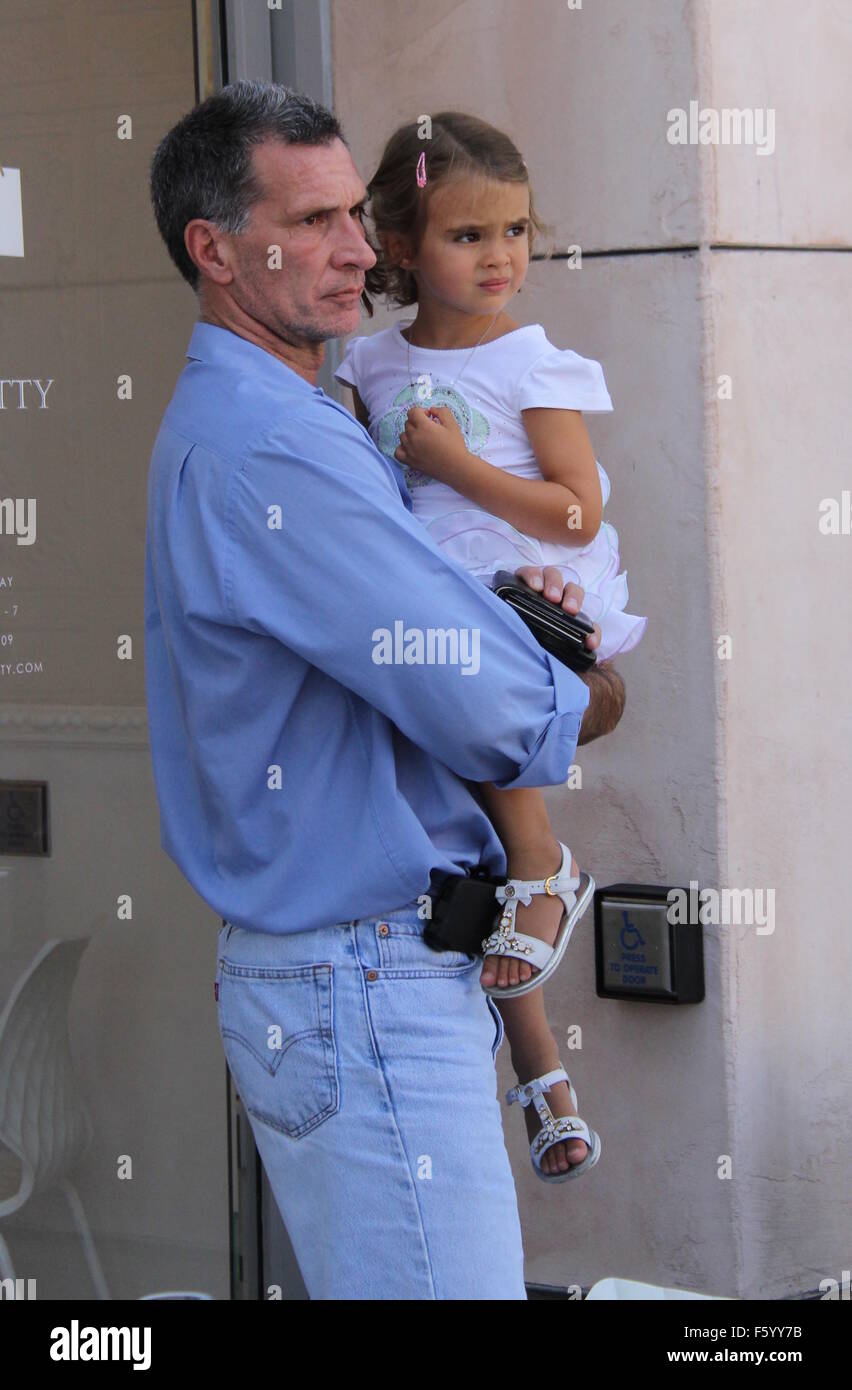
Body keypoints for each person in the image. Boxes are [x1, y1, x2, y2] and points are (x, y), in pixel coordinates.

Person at [146, 79, 625, 1300]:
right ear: (214, 250)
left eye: (357, 212)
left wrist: (512, 629)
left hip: (361, 969)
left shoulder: (294, 412)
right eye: (310, 222)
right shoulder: (270, 440)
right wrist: (577, 694)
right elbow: (473, 695)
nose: (360, 248)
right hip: (360, 972)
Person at [333, 111, 646, 1184]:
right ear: (403, 245)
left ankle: (547, 865)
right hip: (430, 601)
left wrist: (454, 465)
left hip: (525, 591)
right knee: (476, 867)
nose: (503, 255)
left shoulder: (533, 361)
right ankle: (542, 1078)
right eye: (470, 236)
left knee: (497, 808)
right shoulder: (367, 361)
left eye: (516, 230)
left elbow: (575, 511)